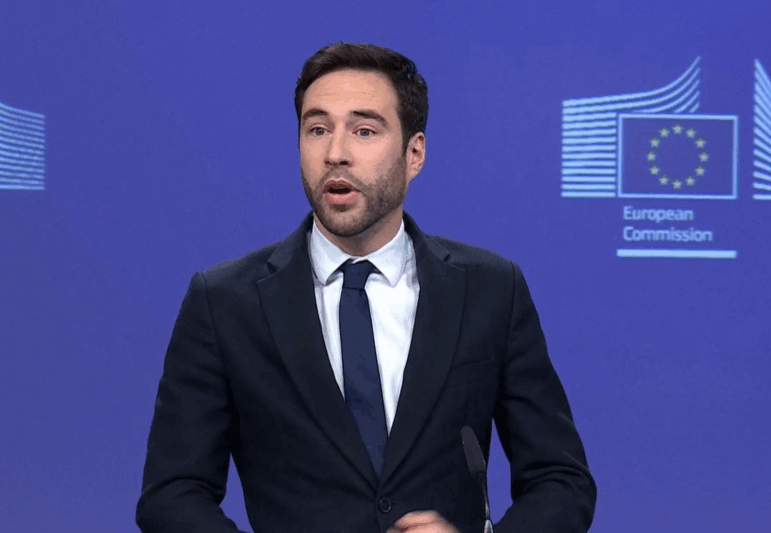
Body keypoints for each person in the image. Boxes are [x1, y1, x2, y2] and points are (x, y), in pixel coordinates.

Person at [136, 42, 596, 533]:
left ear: (414, 154)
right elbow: (172, 494)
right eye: (317, 129)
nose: (335, 153)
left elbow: (561, 480)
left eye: (364, 131)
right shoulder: (225, 301)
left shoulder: (490, 289)